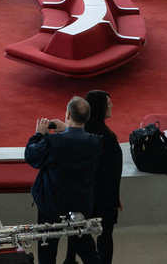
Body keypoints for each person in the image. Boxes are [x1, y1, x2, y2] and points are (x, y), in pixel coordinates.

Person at [24, 97, 102, 264]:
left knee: (47, 250)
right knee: (87, 250)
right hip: (81, 207)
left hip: (51, 206)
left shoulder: (53, 141)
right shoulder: (96, 142)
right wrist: (67, 128)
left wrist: (39, 134)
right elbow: (79, 139)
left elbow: (31, 157)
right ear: (87, 117)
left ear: (67, 114)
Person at [63, 91, 122, 264]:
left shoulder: (80, 134)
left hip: (81, 195)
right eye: (108, 103)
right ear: (99, 108)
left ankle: (70, 260)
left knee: (77, 233)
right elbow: (113, 173)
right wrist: (115, 198)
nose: (111, 106)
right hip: (103, 198)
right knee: (105, 237)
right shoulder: (107, 138)